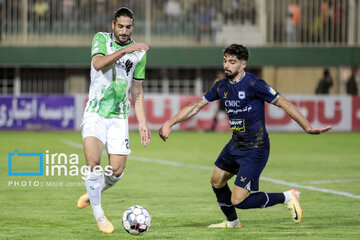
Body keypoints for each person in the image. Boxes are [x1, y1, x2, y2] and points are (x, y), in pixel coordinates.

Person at [159, 44, 332, 228]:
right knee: (216, 181)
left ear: (243, 64)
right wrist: (170, 123)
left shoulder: (254, 84)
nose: (227, 65)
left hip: (255, 148)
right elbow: (195, 106)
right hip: (235, 144)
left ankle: (288, 197)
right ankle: (232, 222)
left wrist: (306, 127)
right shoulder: (221, 86)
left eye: (232, 62)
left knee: (239, 201)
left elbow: (283, 103)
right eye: (225, 61)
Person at [76, 7, 151, 233]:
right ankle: (99, 215)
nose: (124, 31)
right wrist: (126, 49)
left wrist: (143, 122)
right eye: (120, 26)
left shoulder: (139, 53)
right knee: (93, 161)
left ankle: (93, 191)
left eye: (128, 27)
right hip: (96, 112)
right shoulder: (101, 40)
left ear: (132, 27)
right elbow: (99, 64)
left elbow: (136, 90)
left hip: (119, 116)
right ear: (113, 25)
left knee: (116, 170)